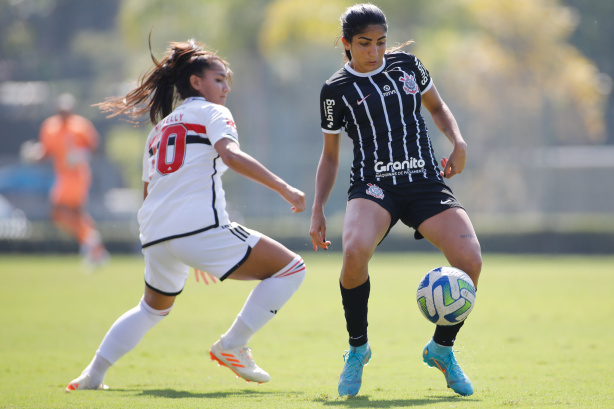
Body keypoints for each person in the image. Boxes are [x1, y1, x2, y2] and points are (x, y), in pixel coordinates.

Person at [65, 39, 307, 391]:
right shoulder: (213, 113)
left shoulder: (158, 130)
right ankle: (233, 345)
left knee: (150, 310)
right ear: (196, 82)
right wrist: (284, 188)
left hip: (155, 233)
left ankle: (93, 375)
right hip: (196, 228)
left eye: (227, 82)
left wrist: (187, 245)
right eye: (219, 79)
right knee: (291, 269)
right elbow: (232, 156)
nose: (225, 88)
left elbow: (151, 191)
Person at [309, 4, 482, 397]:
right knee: (353, 252)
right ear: (346, 44)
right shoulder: (334, 90)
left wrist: (458, 141)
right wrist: (318, 208)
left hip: (424, 181)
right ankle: (358, 349)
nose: (375, 51)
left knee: (470, 261)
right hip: (374, 186)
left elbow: (437, 108)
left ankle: (441, 349)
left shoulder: (408, 66)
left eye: (381, 42)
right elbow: (331, 156)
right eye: (365, 43)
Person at [21, 93, 109, 267]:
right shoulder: (50, 127)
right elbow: (46, 152)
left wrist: (80, 154)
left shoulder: (81, 126)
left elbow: (94, 148)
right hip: (63, 175)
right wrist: (34, 155)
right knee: (75, 213)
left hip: (76, 175)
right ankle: (94, 245)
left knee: (58, 212)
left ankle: (90, 243)